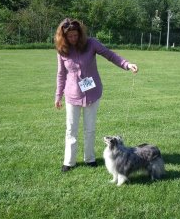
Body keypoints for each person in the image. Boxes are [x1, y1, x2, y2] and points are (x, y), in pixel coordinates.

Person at [54, 18, 138, 172]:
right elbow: (61, 74)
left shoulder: (91, 43)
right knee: (71, 129)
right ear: (63, 37)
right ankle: (69, 161)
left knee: (90, 129)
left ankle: (90, 159)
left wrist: (127, 64)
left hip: (92, 93)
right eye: (69, 36)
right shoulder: (62, 50)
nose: (73, 39)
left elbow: (110, 55)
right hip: (72, 94)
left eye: (75, 35)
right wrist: (58, 95)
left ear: (80, 34)